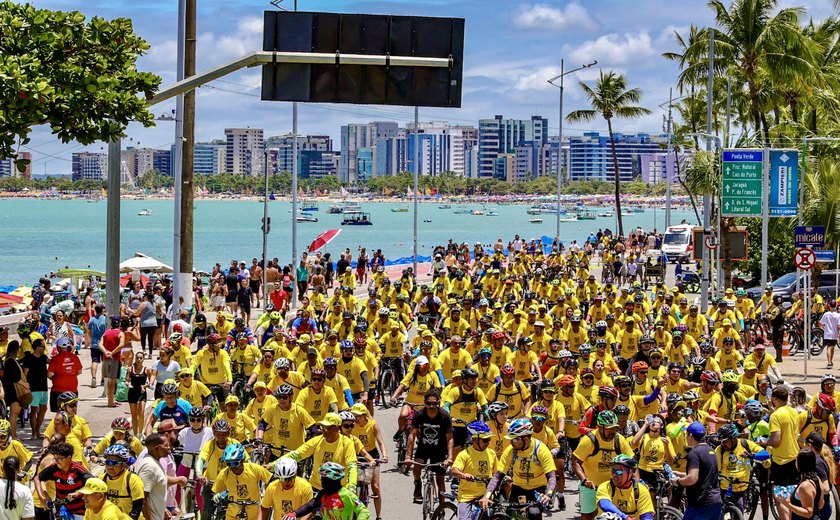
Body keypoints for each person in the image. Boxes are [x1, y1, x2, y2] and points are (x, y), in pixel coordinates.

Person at [479, 418, 556, 520]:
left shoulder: (541, 450)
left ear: (526, 438)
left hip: (538, 489)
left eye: (515, 439)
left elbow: (551, 476)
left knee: (534, 513)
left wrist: (548, 494)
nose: (511, 442)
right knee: (509, 515)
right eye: (510, 439)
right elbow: (498, 476)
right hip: (518, 487)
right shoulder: (511, 450)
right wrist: (487, 496)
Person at [572, 411, 634, 520]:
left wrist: (636, 481)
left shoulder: (619, 439)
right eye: (609, 428)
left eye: (614, 428)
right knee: (588, 517)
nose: (613, 431)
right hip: (590, 486)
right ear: (600, 427)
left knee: (613, 516)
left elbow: (632, 461)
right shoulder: (589, 440)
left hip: (611, 487)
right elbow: (576, 461)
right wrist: (584, 480)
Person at [404, 388, 453, 504]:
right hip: (423, 448)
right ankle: (417, 483)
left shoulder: (444, 416)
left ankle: (441, 508)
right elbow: (412, 436)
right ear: (425, 403)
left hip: (439, 450)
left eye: (434, 404)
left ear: (439, 403)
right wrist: (408, 456)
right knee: (417, 467)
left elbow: (450, 437)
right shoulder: (419, 414)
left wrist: (449, 457)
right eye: (428, 403)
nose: (431, 406)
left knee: (440, 479)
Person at [763, 386, 802, 520]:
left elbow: (776, 441)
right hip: (795, 457)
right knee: (791, 494)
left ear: (774, 398)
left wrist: (764, 442)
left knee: (779, 497)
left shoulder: (776, 416)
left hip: (781, 460)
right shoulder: (793, 411)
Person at [669, 422, 722, 520]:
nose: (686, 437)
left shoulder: (694, 453)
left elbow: (692, 478)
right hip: (715, 501)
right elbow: (705, 473)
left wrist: (678, 482)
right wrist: (681, 474)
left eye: (686, 434)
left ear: (691, 436)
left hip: (700, 503)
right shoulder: (711, 451)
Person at [283, 462, 370, 520]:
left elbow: (363, 511)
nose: (321, 481)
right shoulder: (323, 493)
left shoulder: (347, 495)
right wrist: (294, 514)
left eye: (323, 479)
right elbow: (310, 505)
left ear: (332, 480)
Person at [211, 443, 271, 520]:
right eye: (229, 464)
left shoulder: (254, 468)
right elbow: (215, 491)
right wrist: (216, 496)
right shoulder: (224, 473)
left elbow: (271, 481)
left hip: (254, 514)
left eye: (235, 463)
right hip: (233, 515)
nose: (232, 467)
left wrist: (267, 498)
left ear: (242, 460)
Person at [451, 421, 497, 520]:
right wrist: (463, 475)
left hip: (485, 496)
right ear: (475, 439)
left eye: (489, 439)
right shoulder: (465, 454)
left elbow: (497, 473)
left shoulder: (492, 454)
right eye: (485, 440)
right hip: (467, 496)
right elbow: (454, 470)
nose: (488, 442)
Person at [37, 440, 92, 519]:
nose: (57, 462)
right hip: (62, 511)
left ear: (69, 458)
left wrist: (78, 493)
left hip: (80, 512)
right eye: (55, 459)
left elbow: (93, 484)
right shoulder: (54, 469)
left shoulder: (79, 470)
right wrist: (45, 495)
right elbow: (39, 478)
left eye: (59, 459)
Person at [595, 454, 654, 520]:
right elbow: (604, 504)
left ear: (631, 472)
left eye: (619, 472)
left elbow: (647, 515)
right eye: (613, 471)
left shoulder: (641, 490)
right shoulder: (605, 486)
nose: (614, 475)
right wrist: (626, 517)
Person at [774, 449, 828, 520]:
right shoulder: (817, 479)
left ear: (799, 464)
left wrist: (787, 504)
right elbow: (820, 505)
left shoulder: (805, 486)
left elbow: (808, 513)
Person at [99, 445, 144, 520]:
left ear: (123, 464)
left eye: (114, 463)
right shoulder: (102, 479)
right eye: (108, 462)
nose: (110, 467)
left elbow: (136, 510)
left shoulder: (133, 480)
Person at [134, 434, 169, 520]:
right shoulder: (149, 467)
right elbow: (142, 498)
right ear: (157, 448)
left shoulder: (154, 462)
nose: (169, 447)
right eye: (166, 445)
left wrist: (163, 509)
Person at [21, 339, 49, 440]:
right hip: (34, 388)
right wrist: (25, 385)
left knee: (43, 408)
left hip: (44, 387)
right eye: (42, 346)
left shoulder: (44, 357)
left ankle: (38, 431)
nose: (43, 347)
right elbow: (25, 373)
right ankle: (33, 433)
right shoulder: (29, 358)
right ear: (37, 347)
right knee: (34, 410)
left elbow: (52, 362)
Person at [47, 340, 82, 413]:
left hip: (57, 390)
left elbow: (49, 374)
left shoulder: (55, 359)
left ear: (58, 347)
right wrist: (70, 375)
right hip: (72, 389)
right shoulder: (74, 357)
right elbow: (79, 371)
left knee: (59, 412)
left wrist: (55, 379)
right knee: (72, 411)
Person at [1, 342, 26, 440]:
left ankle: (14, 434)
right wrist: (24, 384)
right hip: (13, 390)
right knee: (14, 414)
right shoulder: (11, 361)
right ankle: (13, 435)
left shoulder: (9, 360)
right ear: (16, 349)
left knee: (14, 414)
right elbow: (14, 377)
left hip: (12, 389)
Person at [87, 304, 106, 389]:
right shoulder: (105, 319)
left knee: (95, 361)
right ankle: (102, 379)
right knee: (104, 362)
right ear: (102, 310)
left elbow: (89, 331)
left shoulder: (92, 320)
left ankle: (94, 377)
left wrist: (91, 339)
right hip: (103, 344)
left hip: (94, 344)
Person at [818, 300, 840, 369]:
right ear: (836, 306)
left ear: (829, 306)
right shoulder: (838, 315)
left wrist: (823, 328)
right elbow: (839, 326)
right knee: (832, 347)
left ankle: (829, 362)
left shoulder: (826, 314)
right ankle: (830, 361)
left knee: (828, 347)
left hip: (827, 333)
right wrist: (839, 334)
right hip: (834, 334)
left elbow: (820, 323)